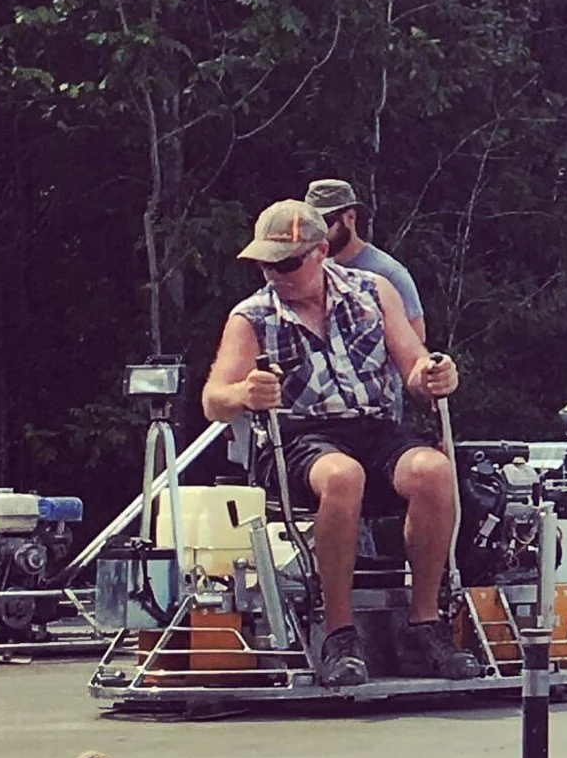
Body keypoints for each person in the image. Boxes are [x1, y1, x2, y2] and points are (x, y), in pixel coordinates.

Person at [201, 199, 481, 687]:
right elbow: (213, 399)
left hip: (371, 427)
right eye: (266, 264)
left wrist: (434, 374)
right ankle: (339, 633)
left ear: (321, 252)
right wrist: (244, 393)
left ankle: (424, 624)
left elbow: (412, 364)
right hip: (297, 438)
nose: (276, 276)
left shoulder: (374, 292)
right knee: (342, 476)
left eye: (287, 264)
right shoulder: (251, 317)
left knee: (434, 470)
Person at [304, 176, 427, 344]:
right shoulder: (316, 269)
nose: (320, 234)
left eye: (326, 222)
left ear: (350, 217)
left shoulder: (388, 272)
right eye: (312, 226)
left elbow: (417, 337)